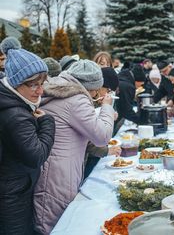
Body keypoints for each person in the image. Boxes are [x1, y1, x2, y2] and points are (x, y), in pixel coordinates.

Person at [34, 59, 115, 234]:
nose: (95, 95)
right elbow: (102, 137)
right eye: (95, 91)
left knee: (55, 220)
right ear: (90, 87)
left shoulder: (62, 91)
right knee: (58, 225)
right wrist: (107, 108)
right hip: (60, 172)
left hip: (52, 167)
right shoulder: (76, 99)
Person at [0, 37, 55, 235]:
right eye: (33, 85)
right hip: (11, 195)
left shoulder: (17, 104)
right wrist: (48, 123)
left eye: (42, 83)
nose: (40, 90)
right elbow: (37, 156)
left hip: (16, 189)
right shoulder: (15, 115)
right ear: (15, 84)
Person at [84, 67, 121, 178]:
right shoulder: (85, 101)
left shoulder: (95, 100)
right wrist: (106, 150)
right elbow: (88, 138)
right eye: (108, 91)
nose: (108, 94)